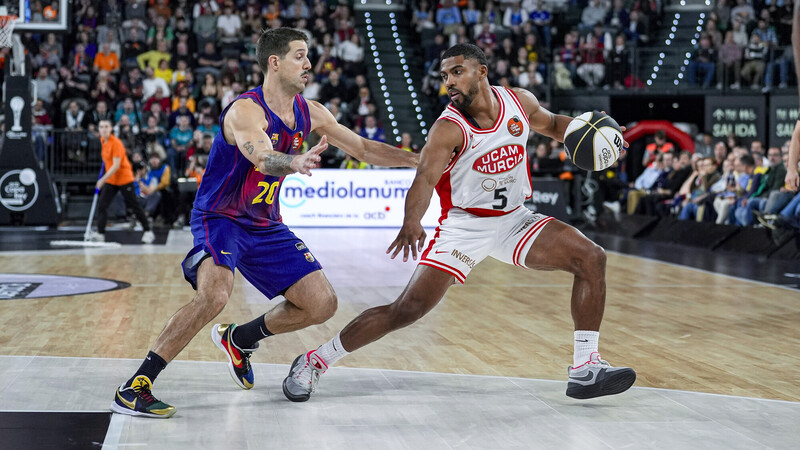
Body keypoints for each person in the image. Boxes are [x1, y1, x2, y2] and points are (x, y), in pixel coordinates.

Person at [281, 43, 635, 403]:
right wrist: (412, 220)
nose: (448, 81)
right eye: (444, 75)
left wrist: (600, 135)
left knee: (591, 257)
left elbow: (556, 125)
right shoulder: (447, 129)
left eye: (456, 72)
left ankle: (585, 367)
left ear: (482, 71)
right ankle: (315, 360)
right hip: (465, 227)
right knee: (408, 309)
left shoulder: (519, 102)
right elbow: (424, 179)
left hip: (515, 220)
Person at [110, 28, 417, 418]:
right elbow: (262, 157)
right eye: (299, 56)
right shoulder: (245, 111)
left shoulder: (312, 111)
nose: (308, 64)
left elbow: (363, 148)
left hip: (265, 223)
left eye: (308, 56)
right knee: (215, 295)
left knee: (322, 304)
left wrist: (417, 159)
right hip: (221, 217)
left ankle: (240, 338)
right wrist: (294, 161)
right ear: (275, 62)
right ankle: (136, 385)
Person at [89, 120, 155, 244]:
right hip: (112, 180)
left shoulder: (116, 143)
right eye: (101, 127)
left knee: (134, 205)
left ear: (111, 128)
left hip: (124, 178)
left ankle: (148, 231)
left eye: (106, 126)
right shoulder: (103, 141)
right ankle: (100, 234)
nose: (104, 129)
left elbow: (116, 165)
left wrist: (102, 180)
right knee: (102, 205)